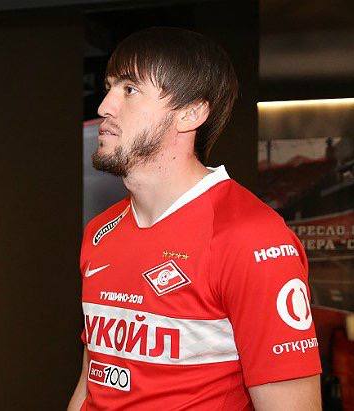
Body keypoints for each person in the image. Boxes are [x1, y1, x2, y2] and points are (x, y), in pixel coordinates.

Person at [68, 27, 321, 410]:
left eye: (129, 89)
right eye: (109, 88)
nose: (104, 106)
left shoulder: (252, 238)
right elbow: (91, 381)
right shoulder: (100, 231)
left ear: (191, 113)